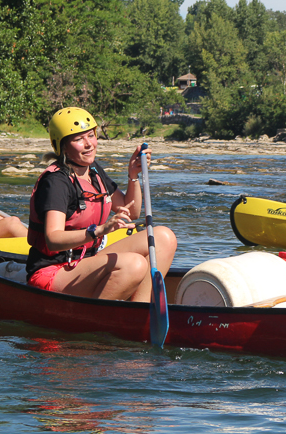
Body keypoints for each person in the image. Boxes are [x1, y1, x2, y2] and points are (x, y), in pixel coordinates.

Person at [26, 106, 178, 302]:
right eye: (78, 139)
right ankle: (96, 320)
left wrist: (133, 175)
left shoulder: (93, 171)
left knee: (164, 237)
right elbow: (52, 239)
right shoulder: (56, 182)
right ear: (62, 146)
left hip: (86, 261)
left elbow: (131, 211)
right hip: (53, 271)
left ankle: (142, 308)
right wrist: (99, 230)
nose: (89, 144)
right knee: (134, 264)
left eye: (91, 135)